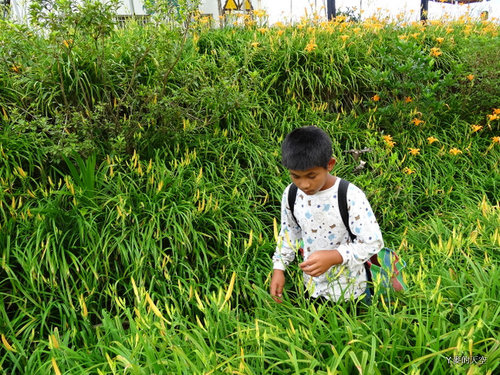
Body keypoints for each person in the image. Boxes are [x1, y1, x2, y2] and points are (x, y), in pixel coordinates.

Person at [270, 126, 384, 305]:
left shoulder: (349, 195)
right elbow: (289, 232)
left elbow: (373, 242)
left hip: (351, 291)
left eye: (311, 176)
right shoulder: (291, 194)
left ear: (330, 164)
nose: (304, 184)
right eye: (295, 176)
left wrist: (334, 256)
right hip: (312, 288)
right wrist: (279, 268)